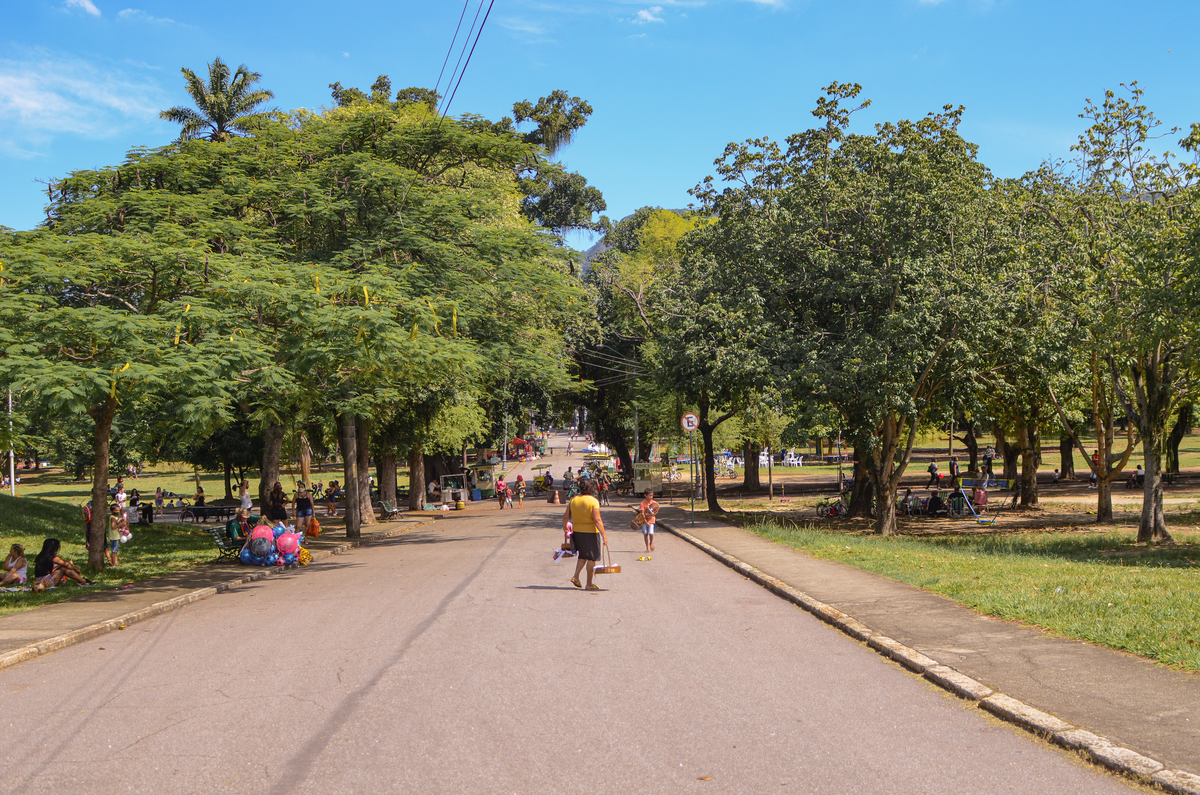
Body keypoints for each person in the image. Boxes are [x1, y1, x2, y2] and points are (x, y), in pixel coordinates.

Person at [564, 478, 607, 591]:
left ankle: (576, 576)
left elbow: (566, 517)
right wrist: (604, 535)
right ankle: (589, 584)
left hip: (577, 532)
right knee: (591, 558)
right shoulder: (593, 501)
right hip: (591, 533)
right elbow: (597, 520)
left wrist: (566, 530)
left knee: (583, 555)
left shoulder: (573, 500)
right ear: (591, 488)